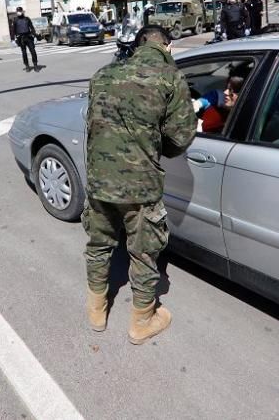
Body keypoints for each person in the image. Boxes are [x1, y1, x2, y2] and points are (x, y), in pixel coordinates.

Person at [83, 25, 197, 345]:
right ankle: (142, 322)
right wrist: (156, 146)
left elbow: (92, 124)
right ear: (167, 46)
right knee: (144, 253)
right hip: (140, 185)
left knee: (99, 245)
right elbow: (181, 136)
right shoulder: (170, 77)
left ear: (137, 45)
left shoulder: (102, 74)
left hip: (99, 181)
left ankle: (96, 312)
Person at [193, 64, 251, 134]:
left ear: (247, 94)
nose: (225, 92)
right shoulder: (217, 97)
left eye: (233, 90)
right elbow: (201, 102)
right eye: (226, 87)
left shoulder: (249, 119)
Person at [11, 7, 38, 71]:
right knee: (24, 53)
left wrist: (35, 35)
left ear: (22, 11)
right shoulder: (15, 20)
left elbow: (32, 27)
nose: (19, 12)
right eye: (18, 11)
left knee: (33, 51)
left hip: (28, 37)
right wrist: (13, 39)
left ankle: (35, 65)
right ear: (16, 12)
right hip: (21, 38)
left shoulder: (27, 19)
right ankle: (27, 66)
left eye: (20, 11)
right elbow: (13, 30)